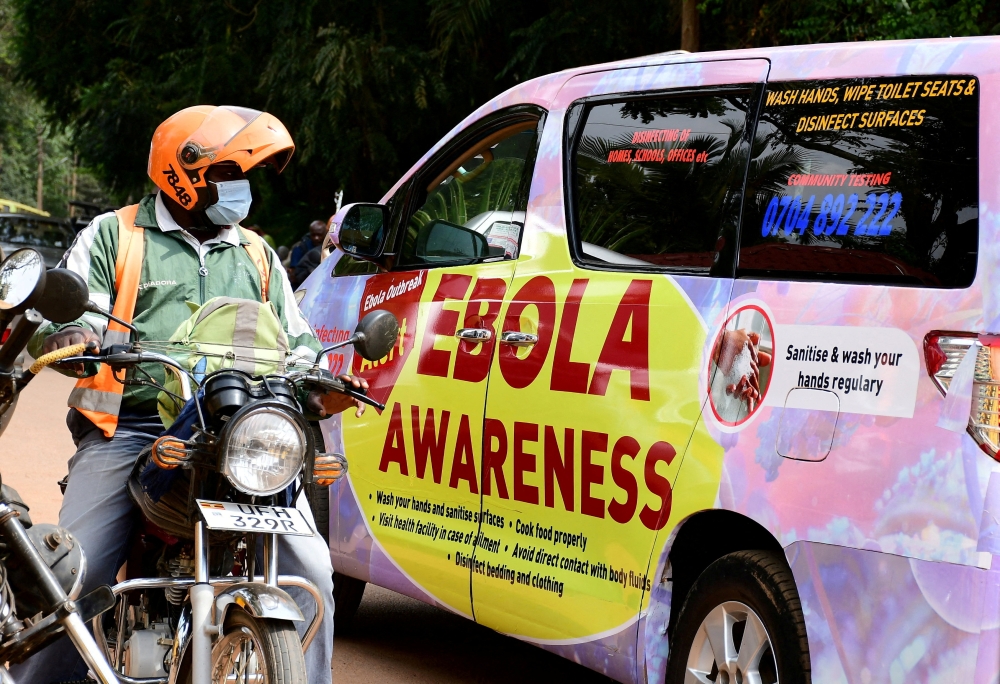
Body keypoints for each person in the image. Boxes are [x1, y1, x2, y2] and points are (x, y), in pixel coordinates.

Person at [20, 105, 357, 684]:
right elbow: (58, 317)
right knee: (73, 574)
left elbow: (298, 340)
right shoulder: (114, 235)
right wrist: (73, 334)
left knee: (315, 579)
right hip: (131, 430)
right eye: (230, 174)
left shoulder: (257, 253)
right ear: (186, 172)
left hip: (242, 436)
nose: (241, 190)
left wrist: (323, 374)